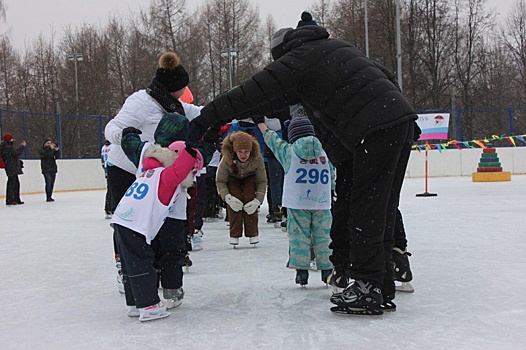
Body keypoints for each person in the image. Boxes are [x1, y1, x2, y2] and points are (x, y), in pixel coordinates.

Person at [187, 24, 417, 315]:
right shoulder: (335, 48)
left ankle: (368, 286)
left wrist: (204, 119)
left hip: (373, 129)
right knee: (378, 207)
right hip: (397, 122)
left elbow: (250, 92)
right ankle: (380, 282)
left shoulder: (301, 59)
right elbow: (383, 74)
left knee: (366, 209)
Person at [104, 51, 203, 292]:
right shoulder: (140, 102)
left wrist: (228, 113)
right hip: (126, 169)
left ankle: (154, 269)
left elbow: (200, 113)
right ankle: (123, 267)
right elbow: (111, 128)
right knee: (127, 222)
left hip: (153, 172)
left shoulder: (175, 106)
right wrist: (128, 138)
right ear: (175, 88)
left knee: (156, 222)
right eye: (183, 86)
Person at [111, 140, 201, 322]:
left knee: (131, 265)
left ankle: (135, 304)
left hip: (123, 221)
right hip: (136, 225)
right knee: (142, 261)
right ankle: (149, 306)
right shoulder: (166, 176)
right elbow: (179, 170)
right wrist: (191, 150)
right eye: (193, 170)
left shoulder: (150, 172)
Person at [255, 116, 334, 286]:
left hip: (297, 203)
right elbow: (332, 173)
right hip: (322, 202)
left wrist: (260, 123)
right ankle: (327, 270)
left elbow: (272, 140)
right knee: (324, 236)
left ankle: (301, 272)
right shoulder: (325, 151)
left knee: (299, 237)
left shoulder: (288, 152)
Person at [216, 131, 267, 246]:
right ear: (234, 151)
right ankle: (234, 234)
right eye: (240, 152)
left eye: (246, 152)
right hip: (232, 179)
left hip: (250, 178)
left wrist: (257, 200)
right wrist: (227, 197)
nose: (243, 155)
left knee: (249, 197)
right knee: (235, 199)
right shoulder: (226, 159)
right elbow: (220, 181)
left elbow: (262, 181)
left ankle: (252, 233)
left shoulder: (257, 158)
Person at [1, 133, 26, 205]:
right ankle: (11, 199)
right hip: (11, 168)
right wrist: (22, 147)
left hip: (10, 167)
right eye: (11, 139)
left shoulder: (6, 147)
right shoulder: (8, 147)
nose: (13, 141)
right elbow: (16, 153)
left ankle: (14, 199)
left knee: (14, 183)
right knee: (13, 184)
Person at [39, 138, 60, 202]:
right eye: (48, 143)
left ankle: (50, 196)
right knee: (48, 182)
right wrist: (49, 149)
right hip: (46, 168)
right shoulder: (42, 150)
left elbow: (56, 157)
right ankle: (48, 196)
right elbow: (44, 155)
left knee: (52, 183)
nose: (49, 145)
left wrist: (56, 151)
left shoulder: (51, 150)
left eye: (50, 143)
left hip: (52, 168)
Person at [101, 140, 114, 219]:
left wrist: (105, 170)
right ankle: (112, 209)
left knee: (109, 190)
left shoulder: (103, 148)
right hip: (112, 169)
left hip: (107, 169)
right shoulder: (113, 147)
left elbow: (102, 160)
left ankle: (108, 209)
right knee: (113, 190)